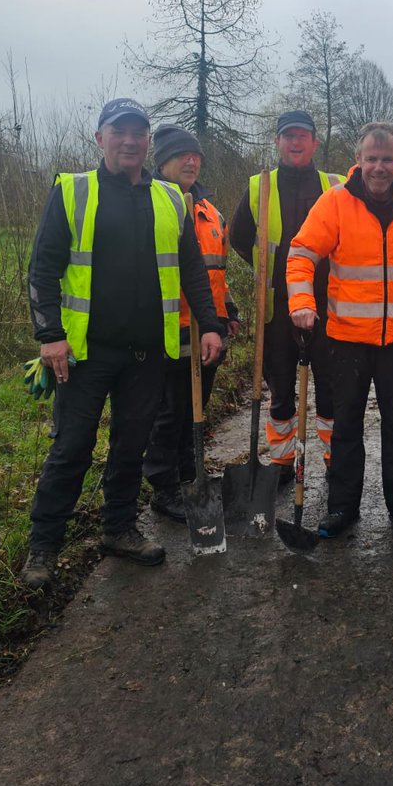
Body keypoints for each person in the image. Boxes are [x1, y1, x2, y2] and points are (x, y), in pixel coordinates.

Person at [21, 99, 226, 591]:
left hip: (147, 351)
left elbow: (193, 270)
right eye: (120, 132)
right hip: (85, 353)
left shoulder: (170, 198)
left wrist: (211, 323)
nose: (130, 141)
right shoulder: (72, 191)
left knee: (130, 447)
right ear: (100, 137)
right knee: (72, 448)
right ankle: (43, 547)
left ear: (148, 142)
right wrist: (50, 337)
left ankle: (118, 529)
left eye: (139, 133)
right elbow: (43, 268)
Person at [287, 122, 393, 541]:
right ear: (358, 161)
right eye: (372, 159)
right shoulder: (335, 202)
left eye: (387, 159)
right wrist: (303, 304)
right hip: (345, 338)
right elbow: (301, 254)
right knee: (346, 426)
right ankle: (342, 507)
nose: (380, 167)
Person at [230, 110, 344, 483]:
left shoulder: (337, 186)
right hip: (276, 307)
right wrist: (267, 268)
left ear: (315, 142)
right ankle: (281, 464)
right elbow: (238, 238)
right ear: (277, 142)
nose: (295, 143)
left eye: (303, 136)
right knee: (281, 388)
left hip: (329, 304)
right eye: (288, 136)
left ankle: (333, 458)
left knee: (330, 387)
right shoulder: (258, 186)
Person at [142, 124, 240, 522]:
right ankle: (163, 486)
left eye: (196, 154)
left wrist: (227, 311)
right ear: (161, 161)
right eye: (181, 154)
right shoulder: (148, 205)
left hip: (207, 328)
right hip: (168, 327)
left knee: (196, 409)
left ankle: (190, 475)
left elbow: (217, 271)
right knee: (170, 412)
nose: (191, 160)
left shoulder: (209, 211)